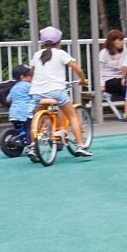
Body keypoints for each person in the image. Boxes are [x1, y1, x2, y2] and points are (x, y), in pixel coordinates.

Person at [28, 26, 93, 157]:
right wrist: (83, 80)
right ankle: (81, 145)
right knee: (72, 116)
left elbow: (32, 72)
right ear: (59, 42)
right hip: (56, 91)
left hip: (36, 92)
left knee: (39, 118)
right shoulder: (61, 53)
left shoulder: (36, 55)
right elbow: (77, 69)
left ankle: (33, 146)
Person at [4, 64, 35, 148]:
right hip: (25, 112)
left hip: (13, 113)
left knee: (19, 129)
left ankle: (20, 139)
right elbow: (36, 95)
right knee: (30, 128)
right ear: (22, 77)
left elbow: (8, 100)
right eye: (30, 75)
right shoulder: (29, 86)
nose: (32, 77)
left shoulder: (14, 87)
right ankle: (31, 145)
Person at [97, 29, 126, 101]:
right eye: (119, 40)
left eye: (122, 40)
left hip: (121, 78)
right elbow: (99, 70)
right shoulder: (104, 53)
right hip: (109, 80)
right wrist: (102, 84)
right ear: (112, 41)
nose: (121, 42)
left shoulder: (125, 51)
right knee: (125, 85)